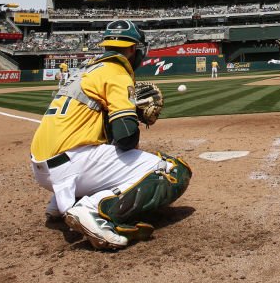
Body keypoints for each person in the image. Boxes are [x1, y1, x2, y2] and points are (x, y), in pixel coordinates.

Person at [29, 20, 191, 250]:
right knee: (172, 170)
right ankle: (93, 209)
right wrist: (135, 116)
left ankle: (62, 203)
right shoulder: (116, 71)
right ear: (134, 49)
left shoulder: (85, 70)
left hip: (43, 169)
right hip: (73, 164)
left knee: (104, 150)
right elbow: (126, 139)